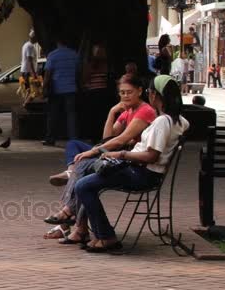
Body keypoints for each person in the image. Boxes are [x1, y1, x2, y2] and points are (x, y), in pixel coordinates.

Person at [73, 75, 188, 252]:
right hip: (140, 170)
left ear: (154, 95)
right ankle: (90, 230)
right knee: (88, 172)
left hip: (142, 174)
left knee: (83, 185)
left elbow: (152, 156)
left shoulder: (162, 122)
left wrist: (122, 154)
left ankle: (104, 236)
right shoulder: (180, 121)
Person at [43, 73, 156, 240]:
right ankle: (71, 174)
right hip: (111, 153)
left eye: (129, 92)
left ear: (140, 91)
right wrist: (112, 112)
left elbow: (119, 141)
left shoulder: (144, 111)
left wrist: (93, 152)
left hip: (123, 158)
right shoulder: (127, 110)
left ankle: (70, 214)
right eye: (122, 92)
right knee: (74, 145)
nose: (125, 96)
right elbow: (107, 138)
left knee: (83, 167)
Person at [41, 38, 79, 146]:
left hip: (56, 90)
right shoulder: (74, 54)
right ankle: (73, 139)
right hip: (71, 89)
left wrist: (44, 88)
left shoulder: (53, 55)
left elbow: (48, 74)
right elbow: (78, 71)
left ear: (58, 42)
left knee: (53, 115)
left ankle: (50, 138)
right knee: (71, 115)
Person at [78, 43, 116, 142]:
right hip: (100, 92)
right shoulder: (103, 65)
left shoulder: (92, 64)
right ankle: (99, 136)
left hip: (94, 92)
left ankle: (96, 136)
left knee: (95, 116)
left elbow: (85, 79)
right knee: (99, 116)